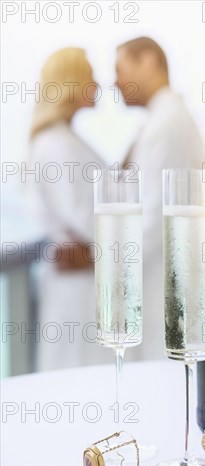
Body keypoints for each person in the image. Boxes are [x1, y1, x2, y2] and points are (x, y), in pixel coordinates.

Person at [115, 37, 205, 361]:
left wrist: (106, 261)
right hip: (160, 285)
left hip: (160, 289)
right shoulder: (163, 120)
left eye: (120, 69)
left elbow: (153, 218)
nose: (115, 82)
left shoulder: (167, 124)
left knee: (159, 380)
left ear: (149, 61)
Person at [28, 47, 110, 371]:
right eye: (89, 75)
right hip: (76, 291)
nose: (97, 84)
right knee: (80, 376)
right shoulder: (57, 145)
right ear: (71, 81)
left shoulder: (64, 140)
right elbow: (89, 221)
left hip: (81, 283)